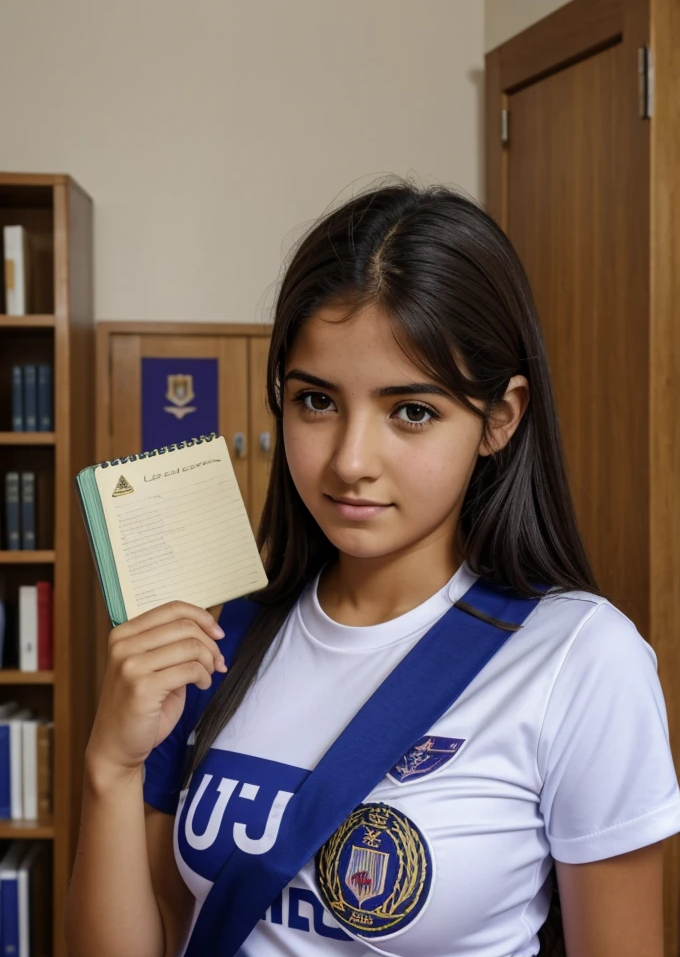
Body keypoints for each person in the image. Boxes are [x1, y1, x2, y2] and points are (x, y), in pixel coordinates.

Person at [65, 179, 680, 957]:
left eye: (411, 411)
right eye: (316, 402)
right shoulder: (219, 635)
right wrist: (110, 769)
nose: (350, 461)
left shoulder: (582, 659)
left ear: (499, 418)